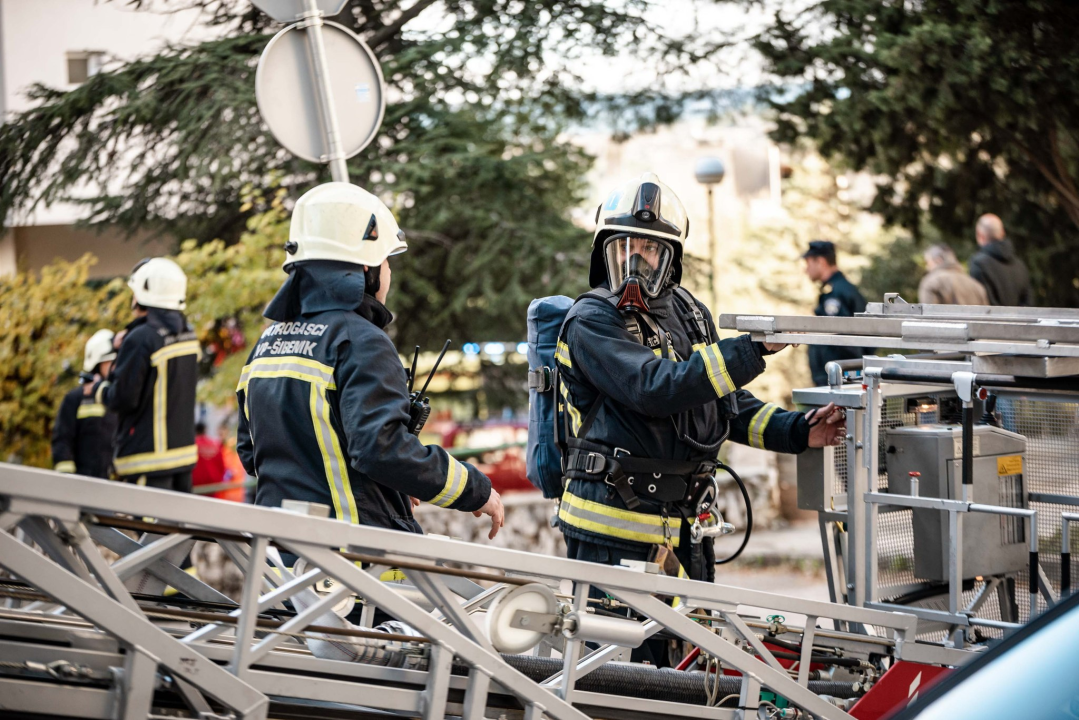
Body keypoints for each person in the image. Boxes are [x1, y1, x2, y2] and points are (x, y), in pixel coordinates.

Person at [555, 173, 845, 628]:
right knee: (619, 665)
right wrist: (751, 350)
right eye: (624, 246)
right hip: (612, 534)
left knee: (689, 659)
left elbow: (720, 403)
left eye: (649, 248)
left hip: (686, 530)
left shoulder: (688, 312)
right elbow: (653, 388)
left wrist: (797, 430)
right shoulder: (591, 320)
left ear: (669, 258)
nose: (636, 258)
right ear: (604, 252)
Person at [236, 182, 504, 538]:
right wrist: (475, 489)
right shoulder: (361, 340)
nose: (389, 271)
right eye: (386, 260)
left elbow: (251, 453)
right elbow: (382, 449)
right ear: (367, 267)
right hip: (353, 556)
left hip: (279, 552)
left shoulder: (267, 342)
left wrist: (388, 483)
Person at [94, 258, 200, 491]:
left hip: (147, 462)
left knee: (145, 518)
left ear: (141, 295)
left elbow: (123, 398)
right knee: (179, 516)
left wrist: (98, 389)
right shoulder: (188, 334)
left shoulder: (141, 339)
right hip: (182, 459)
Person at [52, 329, 119, 478]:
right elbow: (62, 439)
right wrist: (67, 477)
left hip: (114, 482)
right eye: (110, 362)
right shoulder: (75, 399)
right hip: (82, 481)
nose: (114, 367)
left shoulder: (120, 398)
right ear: (96, 364)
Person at [803, 240, 868, 386]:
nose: (806, 269)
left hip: (839, 377)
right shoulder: (838, 289)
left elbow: (842, 339)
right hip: (837, 375)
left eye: (808, 263)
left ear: (820, 262)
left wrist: (843, 373)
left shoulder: (837, 293)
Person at [969, 214, 1032, 306]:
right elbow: (1028, 303)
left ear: (980, 235)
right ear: (1002, 232)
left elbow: (982, 303)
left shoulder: (978, 264)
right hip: (1019, 316)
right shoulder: (1020, 265)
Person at [918, 244, 989, 306]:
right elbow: (985, 314)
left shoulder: (932, 281)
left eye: (928, 262)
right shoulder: (976, 285)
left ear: (938, 260)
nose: (927, 267)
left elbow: (927, 313)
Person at [192, 422, 227, 492]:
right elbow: (222, 466)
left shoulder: (193, 445)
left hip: (196, 486)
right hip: (213, 486)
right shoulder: (215, 445)